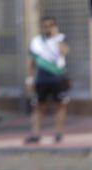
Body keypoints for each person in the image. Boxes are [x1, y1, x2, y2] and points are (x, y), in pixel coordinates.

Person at [25, 16, 69, 144]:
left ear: (54, 26)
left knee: (60, 105)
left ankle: (58, 133)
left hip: (58, 77)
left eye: (50, 25)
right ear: (41, 27)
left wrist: (56, 38)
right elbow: (31, 61)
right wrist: (29, 79)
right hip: (41, 79)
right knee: (38, 106)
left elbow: (64, 52)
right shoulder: (36, 41)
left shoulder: (61, 38)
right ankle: (36, 134)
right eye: (45, 26)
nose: (47, 28)